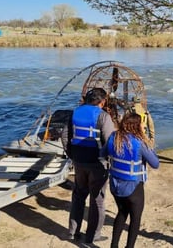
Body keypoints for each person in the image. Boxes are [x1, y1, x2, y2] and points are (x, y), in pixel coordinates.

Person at [61, 88, 116, 244]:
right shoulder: (103, 116)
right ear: (102, 101)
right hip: (98, 163)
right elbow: (110, 141)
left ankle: (72, 232)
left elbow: (64, 135)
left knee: (78, 196)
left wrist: (71, 153)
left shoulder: (75, 112)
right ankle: (93, 236)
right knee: (97, 199)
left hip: (79, 161)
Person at [101, 112, 160, 248]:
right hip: (134, 187)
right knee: (135, 219)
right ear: (137, 126)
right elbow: (155, 164)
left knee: (121, 213)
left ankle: (114, 245)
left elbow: (102, 153)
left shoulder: (114, 137)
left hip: (116, 185)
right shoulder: (139, 142)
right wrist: (150, 145)